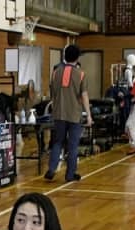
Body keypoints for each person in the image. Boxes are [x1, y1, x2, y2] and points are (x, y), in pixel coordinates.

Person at [43, 44, 92, 183]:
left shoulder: (55, 72)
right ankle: (70, 174)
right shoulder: (81, 74)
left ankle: (52, 169)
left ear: (64, 56)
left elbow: (53, 94)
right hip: (74, 114)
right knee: (73, 145)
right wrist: (88, 114)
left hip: (58, 113)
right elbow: (84, 95)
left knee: (57, 142)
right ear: (77, 58)